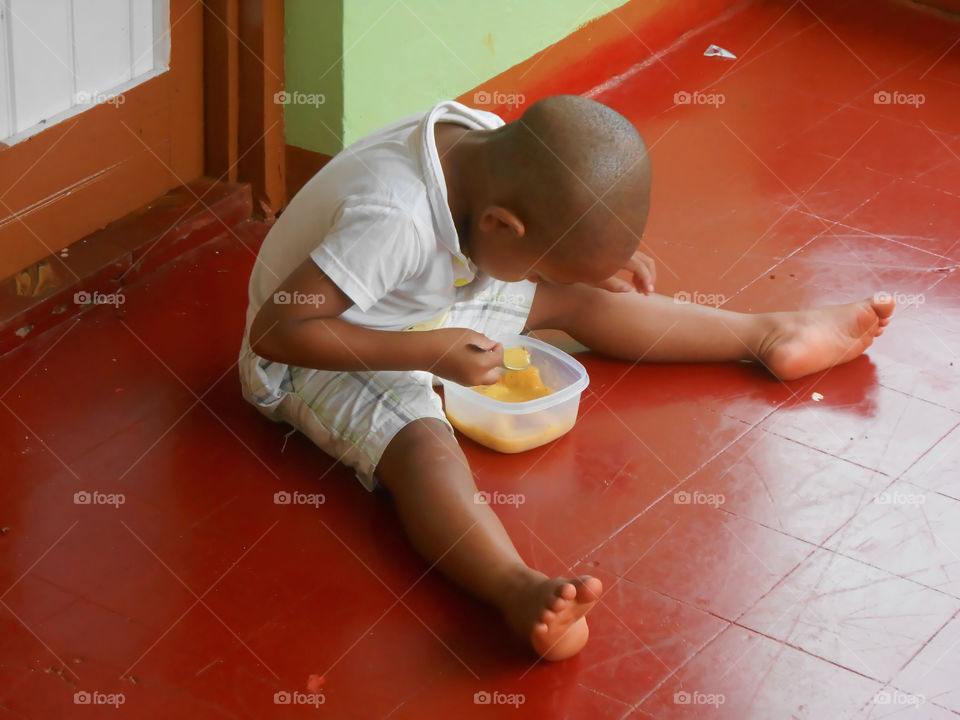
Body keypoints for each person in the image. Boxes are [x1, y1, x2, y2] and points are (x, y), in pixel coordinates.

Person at [239, 95, 894, 660]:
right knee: (424, 448)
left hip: (417, 297)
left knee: (582, 300)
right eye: (542, 256)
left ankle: (769, 334)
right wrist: (431, 354)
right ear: (502, 225)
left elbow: (539, 238)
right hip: (317, 347)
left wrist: (586, 259)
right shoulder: (393, 222)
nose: (539, 273)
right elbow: (277, 331)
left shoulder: (485, 148)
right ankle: (514, 588)